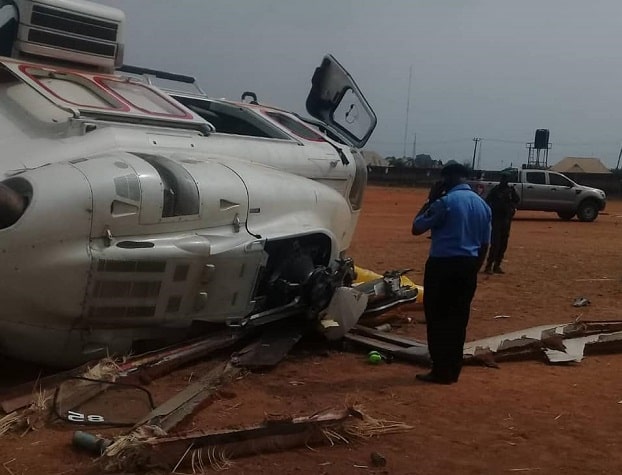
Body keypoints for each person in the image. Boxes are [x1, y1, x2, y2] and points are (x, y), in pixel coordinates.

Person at [412, 163, 491, 384]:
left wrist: (430, 199)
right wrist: (474, 269)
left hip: (442, 265)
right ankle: (453, 369)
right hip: (468, 266)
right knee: (458, 319)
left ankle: (440, 369)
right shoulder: (482, 205)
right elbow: (485, 243)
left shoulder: (445, 202)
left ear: (448, 178)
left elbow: (417, 227)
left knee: (437, 318)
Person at [484, 174, 520, 274]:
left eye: (506, 179)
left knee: (503, 244)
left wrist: (512, 208)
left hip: (506, 219)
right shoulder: (495, 190)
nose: (504, 180)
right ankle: (489, 266)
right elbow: (487, 201)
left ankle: (497, 265)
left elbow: (517, 200)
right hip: (497, 219)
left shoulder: (511, 191)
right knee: (495, 243)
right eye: (503, 178)